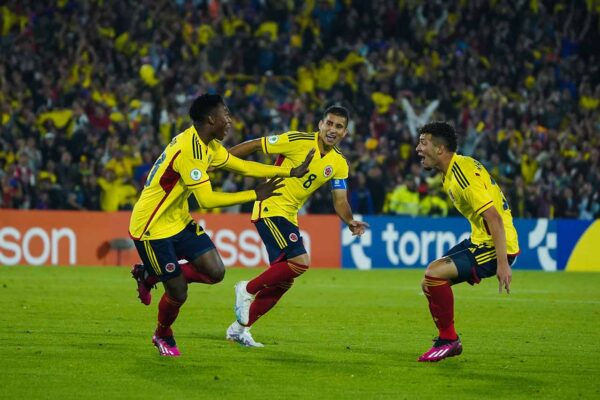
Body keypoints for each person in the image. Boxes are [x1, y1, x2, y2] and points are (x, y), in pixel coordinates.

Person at [128, 94, 314, 357]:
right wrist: (254, 195)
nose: (229, 121)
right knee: (178, 291)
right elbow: (206, 199)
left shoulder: (209, 145)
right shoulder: (188, 150)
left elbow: (242, 166)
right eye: (226, 115)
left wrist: (288, 172)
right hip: (151, 228)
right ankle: (162, 334)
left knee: (215, 272)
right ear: (211, 119)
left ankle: (150, 275)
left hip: (178, 221)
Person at [224, 105, 369, 347]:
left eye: (339, 126)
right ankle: (246, 289)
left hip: (288, 215)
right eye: (329, 123)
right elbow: (257, 144)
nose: (333, 129)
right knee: (301, 261)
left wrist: (350, 220)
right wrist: (222, 160)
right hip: (270, 206)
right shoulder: (297, 140)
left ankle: (239, 329)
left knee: (284, 281)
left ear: (345, 132)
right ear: (320, 124)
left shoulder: (339, 163)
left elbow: (340, 200)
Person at [414, 121, 520, 362]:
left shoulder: (461, 174)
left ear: (440, 149)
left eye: (423, 142)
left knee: (434, 274)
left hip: (495, 245)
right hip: (480, 240)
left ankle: (449, 341)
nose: (418, 148)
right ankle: (448, 339)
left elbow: (493, 217)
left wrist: (503, 263)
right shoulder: (454, 170)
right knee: (429, 283)